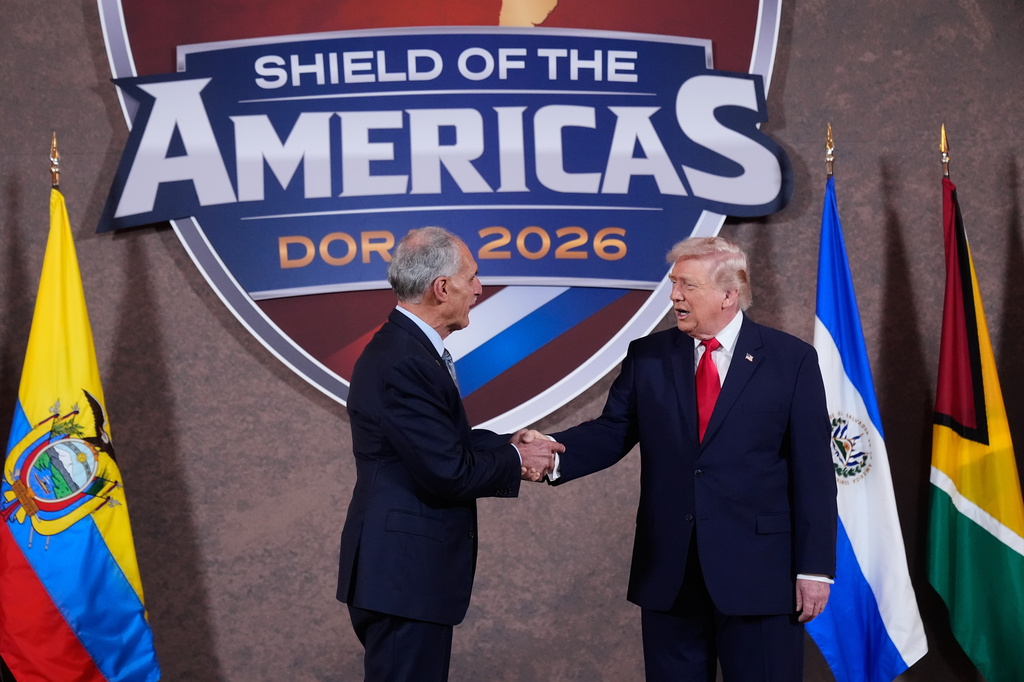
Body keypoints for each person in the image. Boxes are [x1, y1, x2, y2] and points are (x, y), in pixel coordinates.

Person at [545, 236, 837, 682]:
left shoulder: (791, 360)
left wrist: (814, 568)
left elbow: (813, 472)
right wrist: (550, 455)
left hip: (761, 575)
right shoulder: (649, 356)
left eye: (687, 285)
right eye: (674, 283)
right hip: (671, 574)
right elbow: (611, 431)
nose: (675, 296)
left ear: (728, 294)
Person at [336, 226, 562, 682]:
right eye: (472, 277)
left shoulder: (408, 349)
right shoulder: (404, 360)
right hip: (403, 576)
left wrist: (507, 444)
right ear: (442, 288)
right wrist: (519, 461)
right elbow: (448, 470)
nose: (479, 288)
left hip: (403, 576)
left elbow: (438, 444)